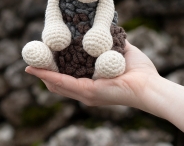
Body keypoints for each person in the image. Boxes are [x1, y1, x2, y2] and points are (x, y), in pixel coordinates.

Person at [25, 40, 184, 132]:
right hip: (66, 52)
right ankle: (51, 63)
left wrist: (145, 84)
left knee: (109, 61)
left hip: (99, 54)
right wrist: (147, 84)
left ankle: (101, 69)